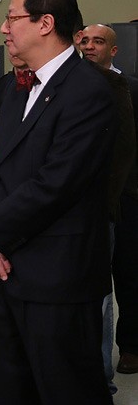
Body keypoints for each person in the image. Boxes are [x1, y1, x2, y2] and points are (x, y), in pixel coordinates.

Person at [0, 0, 116, 404]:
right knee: (6, 389)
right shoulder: (17, 91)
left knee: (65, 389)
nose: (3, 28)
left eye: (12, 17)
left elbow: (57, 183)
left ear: (45, 22)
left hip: (57, 281)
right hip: (1, 273)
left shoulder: (89, 91)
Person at [80, 23, 138, 382]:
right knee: (92, 282)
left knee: (129, 274)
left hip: (129, 197)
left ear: (113, 50)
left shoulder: (131, 89)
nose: (89, 47)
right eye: (83, 40)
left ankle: (131, 345)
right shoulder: (72, 89)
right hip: (89, 199)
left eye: (97, 41)